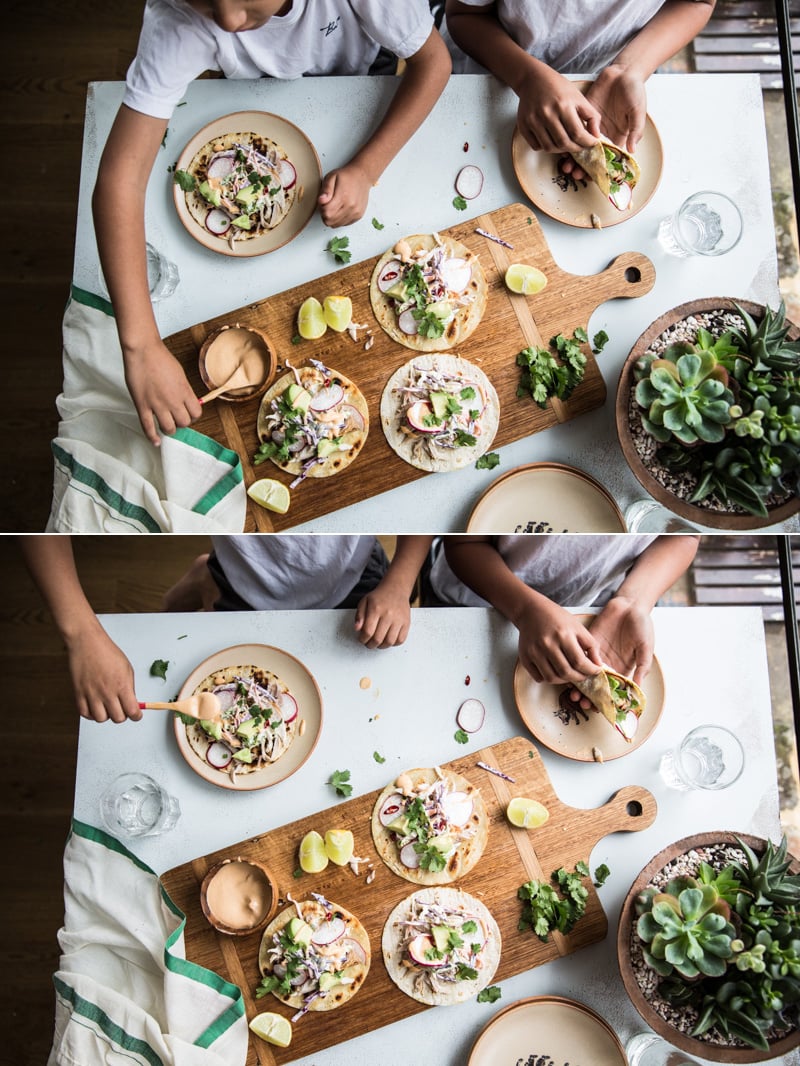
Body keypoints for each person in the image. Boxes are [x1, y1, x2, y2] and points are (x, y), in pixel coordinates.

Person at [93, 0, 451, 446]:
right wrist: (141, 345)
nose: (226, 19)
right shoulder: (178, 20)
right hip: (253, 88)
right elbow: (118, 181)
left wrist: (366, 169)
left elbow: (434, 63)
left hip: (363, 67)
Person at [19, 535, 432, 724]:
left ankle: (204, 576)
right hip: (245, 585)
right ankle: (208, 575)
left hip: (356, 580)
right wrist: (82, 635)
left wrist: (399, 582)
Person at [443, 0, 714, 173]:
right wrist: (525, 78)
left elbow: (698, 2)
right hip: (488, 73)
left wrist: (629, 69)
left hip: (599, 81)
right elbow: (463, 15)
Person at [431, 535, 699, 700]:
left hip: (583, 616)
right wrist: (524, 610)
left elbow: (685, 534)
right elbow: (464, 543)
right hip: (467, 602)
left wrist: (633, 602)